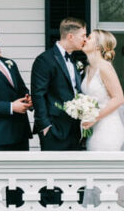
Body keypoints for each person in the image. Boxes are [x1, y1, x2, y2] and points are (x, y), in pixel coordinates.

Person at [31, 17, 88, 151]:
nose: (85, 39)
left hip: (75, 129)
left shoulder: (75, 60)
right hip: (54, 129)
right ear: (70, 36)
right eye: (83, 35)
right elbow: (38, 94)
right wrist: (45, 126)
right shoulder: (44, 60)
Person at [80, 30, 124, 151]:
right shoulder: (88, 68)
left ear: (98, 46)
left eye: (89, 38)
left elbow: (118, 98)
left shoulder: (104, 67)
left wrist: (95, 118)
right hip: (93, 128)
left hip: (108, 128)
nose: (85, 40)